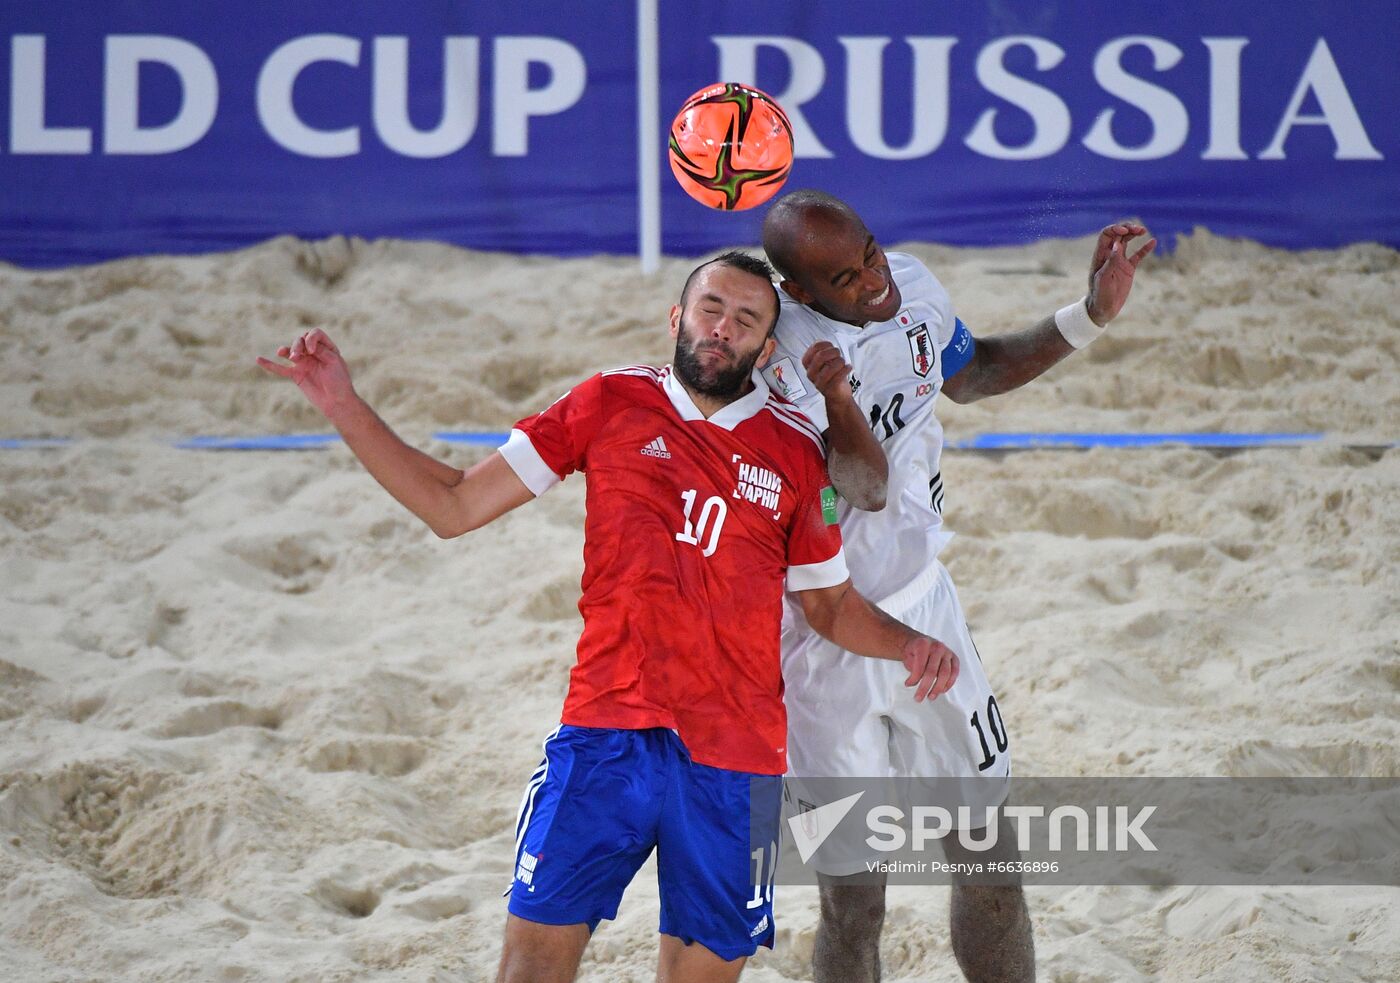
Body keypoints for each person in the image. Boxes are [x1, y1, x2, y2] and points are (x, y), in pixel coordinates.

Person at [256, 250, 966, 983]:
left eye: (746, 319)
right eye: (711, 309)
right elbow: (455, 503)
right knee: (528, 970)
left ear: (764, 346)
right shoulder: (608, 401)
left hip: (735, 762)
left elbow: (828, 604)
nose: (723, 327)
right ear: (677, 318)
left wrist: (911, 642)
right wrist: (341, 402)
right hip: (605, 736)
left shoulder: (793, 451)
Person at [760, 191, 1155, 983]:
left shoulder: (912, 284)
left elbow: (974, 376)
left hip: (925, 607)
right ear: (800, 294)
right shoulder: (781, 361)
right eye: (847, 276)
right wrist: (838, 398)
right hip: (822, 642)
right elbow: (862, 488)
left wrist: (1088, 314)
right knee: (854, 902)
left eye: (870, 251)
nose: (874, 278)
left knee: (992, 865)